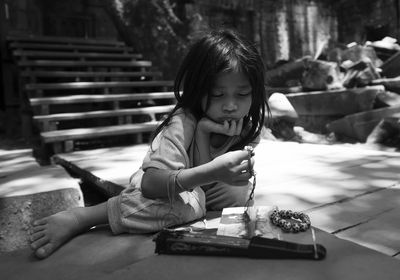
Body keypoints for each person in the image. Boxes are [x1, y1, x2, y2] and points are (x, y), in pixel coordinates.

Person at [29, 29, 269, 259]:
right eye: (218, 94)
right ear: (198, 89)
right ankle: (83, 217)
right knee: (184, 208)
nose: (230, 106)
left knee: (237, 191)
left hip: (198, 195)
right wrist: (209, 161)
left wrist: (204, 136)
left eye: (242, 94)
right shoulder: (182, 123)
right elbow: (152, 184)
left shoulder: (246, 129)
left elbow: (208, 188)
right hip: (157, 188)